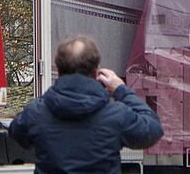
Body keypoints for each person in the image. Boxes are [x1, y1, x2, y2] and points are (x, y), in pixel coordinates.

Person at [10, 36, 163, 174]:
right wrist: (121, 90)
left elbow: (17, 133)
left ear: (59, 70)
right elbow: (153, 129)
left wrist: (52, 95)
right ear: (96, 73)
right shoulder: (116, 115)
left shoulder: (37, 112)